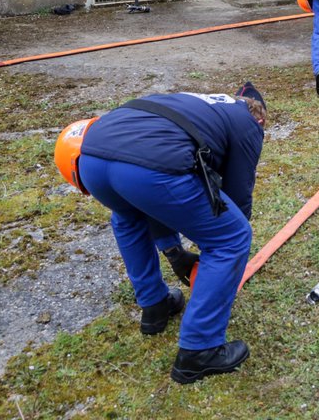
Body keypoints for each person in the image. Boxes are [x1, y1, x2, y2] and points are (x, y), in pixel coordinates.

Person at [77, 84, 268, 384]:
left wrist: (173, 250)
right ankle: (199, 350)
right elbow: (235, 196)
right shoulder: (249, 123)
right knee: (232, 237)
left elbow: (153, 192)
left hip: (91, 156)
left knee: (129, 218)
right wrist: (222, 257)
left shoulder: (201, 102)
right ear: (260, 117)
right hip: (147, 165)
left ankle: (155, 307)